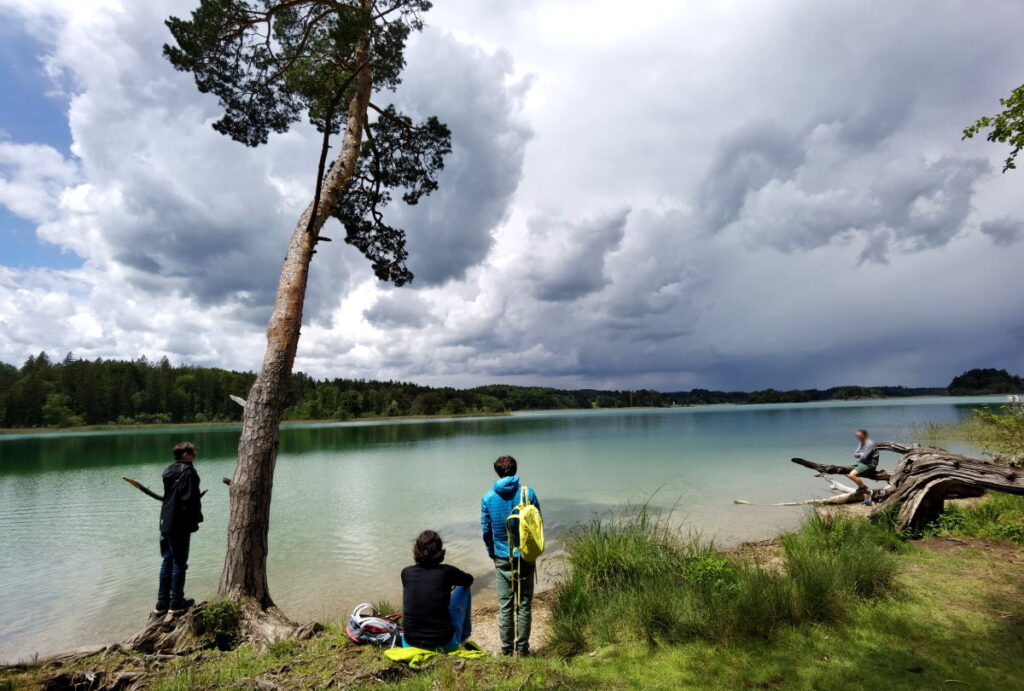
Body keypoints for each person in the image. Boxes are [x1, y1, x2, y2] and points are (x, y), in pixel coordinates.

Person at [481, 455, 540, 657]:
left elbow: (486, 531)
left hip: (502, 557)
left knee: (505, 606)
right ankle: (522, 650)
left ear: (497, 472)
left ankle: (506, 651)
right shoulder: (528, 493)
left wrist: (492, 552)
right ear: (515, 470)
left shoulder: (488, 497)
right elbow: (537, 526)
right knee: (523, 604)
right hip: (524, 555)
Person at [400, 530, 474, 651]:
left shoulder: (406, 573)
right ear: (440, 551)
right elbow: (469, 580)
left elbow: (424, 590)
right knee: (463, 587)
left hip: (409, 643)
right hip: (443, 643)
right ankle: (463, 637)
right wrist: (449, 584)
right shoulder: (447, 572)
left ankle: (461, 637)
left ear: (416, 550)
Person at [155, 441, 203, 615]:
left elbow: (173, 496)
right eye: (193, 453)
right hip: (179, 523)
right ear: (185, 454)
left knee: (167, 560)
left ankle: (162, 602)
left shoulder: (169, 470)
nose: (194, 457)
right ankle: (176, 602)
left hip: (165, 521)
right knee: (179, 563)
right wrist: (196, 519)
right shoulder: (188, 471)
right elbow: (189, 499)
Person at [849, 429, 879, 505]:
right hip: (861, 462)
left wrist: (860, 454)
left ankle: (864, 489)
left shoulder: (870, 444)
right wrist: (860, 454)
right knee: (843, 471)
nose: (857, 437)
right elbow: (855, 454)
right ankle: (863, 488)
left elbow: (864, 457)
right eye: (856, 436)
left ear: (864, 435)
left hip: (870, 464)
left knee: (851, 474)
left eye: (859, 435)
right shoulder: (862, 443)